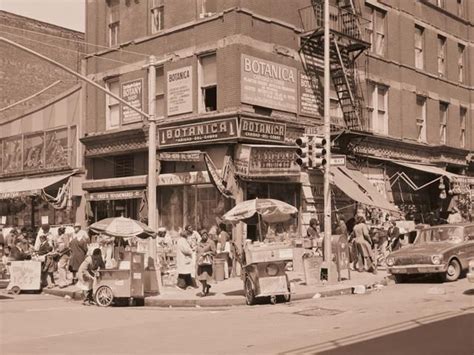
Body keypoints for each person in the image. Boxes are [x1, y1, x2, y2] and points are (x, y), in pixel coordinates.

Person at [196, 230, 216, 297]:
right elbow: (197, 251)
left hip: (207, 262)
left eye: (205, 235)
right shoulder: (199, 242)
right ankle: (207, 286)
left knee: (204, 277)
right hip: (200, 262)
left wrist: (207, 253)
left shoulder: (211, 242)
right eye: (202, 235)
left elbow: (214, 252)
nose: (204, 236)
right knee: (199, 278)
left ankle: (203, 291)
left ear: (207, 235)